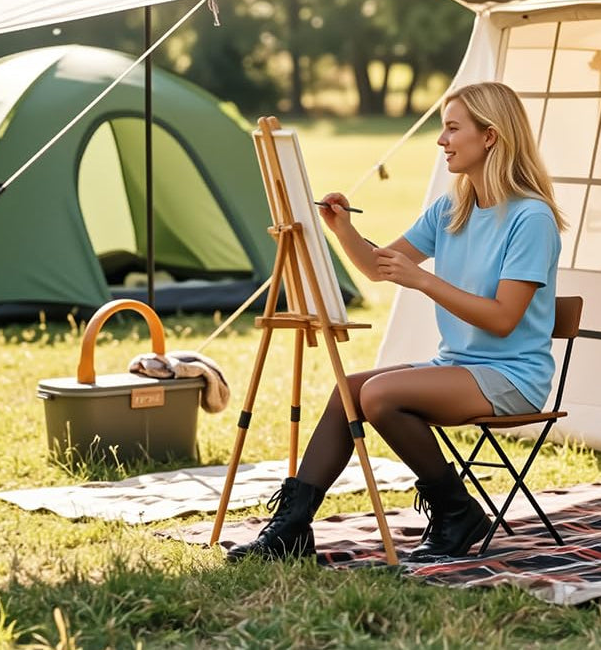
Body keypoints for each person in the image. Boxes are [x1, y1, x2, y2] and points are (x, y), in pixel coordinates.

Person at [228, 81, 566, 564]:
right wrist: (344, 228)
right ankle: (292, 528)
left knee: (380, 395)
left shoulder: (530, 218)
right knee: (350, 389)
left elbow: (505, 320)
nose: (441, 139)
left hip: (512, 376)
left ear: (490, 137)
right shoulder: (454, 206)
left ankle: (456, 512)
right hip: (458, 367)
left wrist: (424, 282)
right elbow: (377, 266)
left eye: (453, 128)